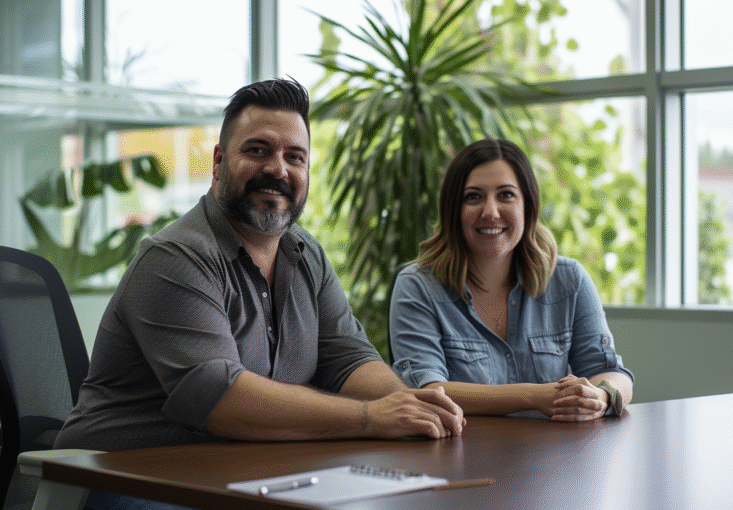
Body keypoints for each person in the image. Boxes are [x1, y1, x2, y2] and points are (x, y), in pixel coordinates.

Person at [55, 78, 464, 459]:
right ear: (219, 162)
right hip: (118, 477)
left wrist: (406, 405)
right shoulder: (175, 259)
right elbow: (221, 400)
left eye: (294, 157)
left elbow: (348, 359)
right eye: (257, 151)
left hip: (236, 472)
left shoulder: (306, 254)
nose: (278, 169)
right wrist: (370, 418)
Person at [389, 138, 633, 421]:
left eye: (506, 195)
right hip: (460, 448)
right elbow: (427, 392)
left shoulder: (569, 281)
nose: (490, 212)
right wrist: (533, 396)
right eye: (473, 197)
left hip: (552, 449)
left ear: (528, 205)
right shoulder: (417, 286)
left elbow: (611, 372)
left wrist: (601, 396)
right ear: (453, 210)